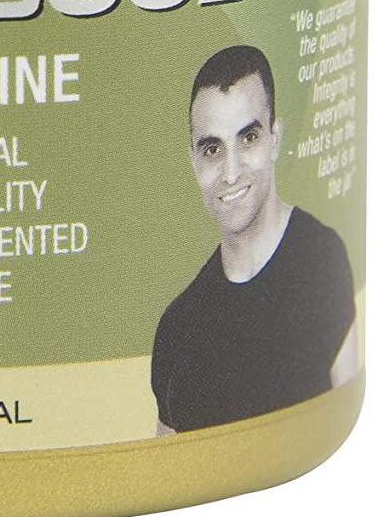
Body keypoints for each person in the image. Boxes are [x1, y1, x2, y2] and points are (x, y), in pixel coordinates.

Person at [151, 45, 359, 435]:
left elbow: (341, 406)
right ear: (193, 161)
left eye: (248, 138)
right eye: (212, 149)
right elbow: (164, 461)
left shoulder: (321, 261)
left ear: (275, 139)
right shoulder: (178, 329)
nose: (231, 173)